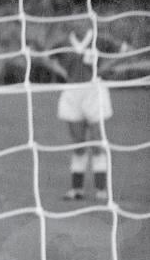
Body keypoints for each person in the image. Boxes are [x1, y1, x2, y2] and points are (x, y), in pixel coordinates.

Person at [37, 24, 121, 202]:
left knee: (98, 142)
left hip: (94, 92)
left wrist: (104, 69)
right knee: (78, 144)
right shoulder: (64, 42)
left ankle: (101, 190)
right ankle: (76, 189)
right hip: (72, 92)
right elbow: (45, 57)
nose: (79, 20)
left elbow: (123, 50)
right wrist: (62, 72)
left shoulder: (100, 39)